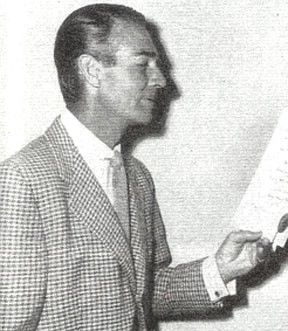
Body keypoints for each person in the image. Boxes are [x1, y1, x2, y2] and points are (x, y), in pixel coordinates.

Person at [0, 4, 270, 331]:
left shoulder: (137, 177)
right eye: (143, 64)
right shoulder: (22, 179)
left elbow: (139, 292)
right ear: (92, 70)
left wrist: (221, 269)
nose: (161, 80)